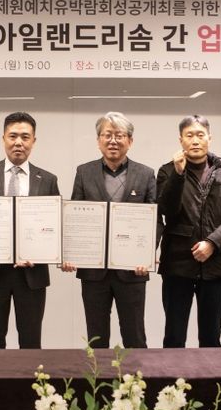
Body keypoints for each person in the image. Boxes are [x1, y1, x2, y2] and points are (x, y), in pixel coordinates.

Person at [0, 112, 60, 349]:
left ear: (33, 141)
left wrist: (41, 251)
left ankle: (32, 377)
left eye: (25, 137)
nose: (18, 142)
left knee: (31, 342)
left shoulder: (47, 179)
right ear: (3, 138)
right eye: (13, 136)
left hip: (32, 273)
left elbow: (54, 226)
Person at [61, 111, 156, 349]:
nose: (113, 141)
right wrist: (70, 253)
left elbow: (155, 220)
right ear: (98, 140)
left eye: (119, 135)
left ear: (130, 141)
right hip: (94, 272)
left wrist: (147, 254)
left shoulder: (146, 174)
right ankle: (98, 376)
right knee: (96, 337)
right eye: (107, 135)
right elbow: (74, 217)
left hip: (132, 270)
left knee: (135, 336)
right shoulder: (84, 172)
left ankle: (136, 375)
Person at [157, 115, 221, 348]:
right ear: (181, 140)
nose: (195, 140)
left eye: (200, 135)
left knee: (211, 336)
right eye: (189, 135)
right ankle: (173, 373)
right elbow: (166, 209)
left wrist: (212, 243)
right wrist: (178, 175)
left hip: (214, 264)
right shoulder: (167, 171)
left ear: (209, 138)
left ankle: (211, 374)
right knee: (174, 335)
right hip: (178, 264)